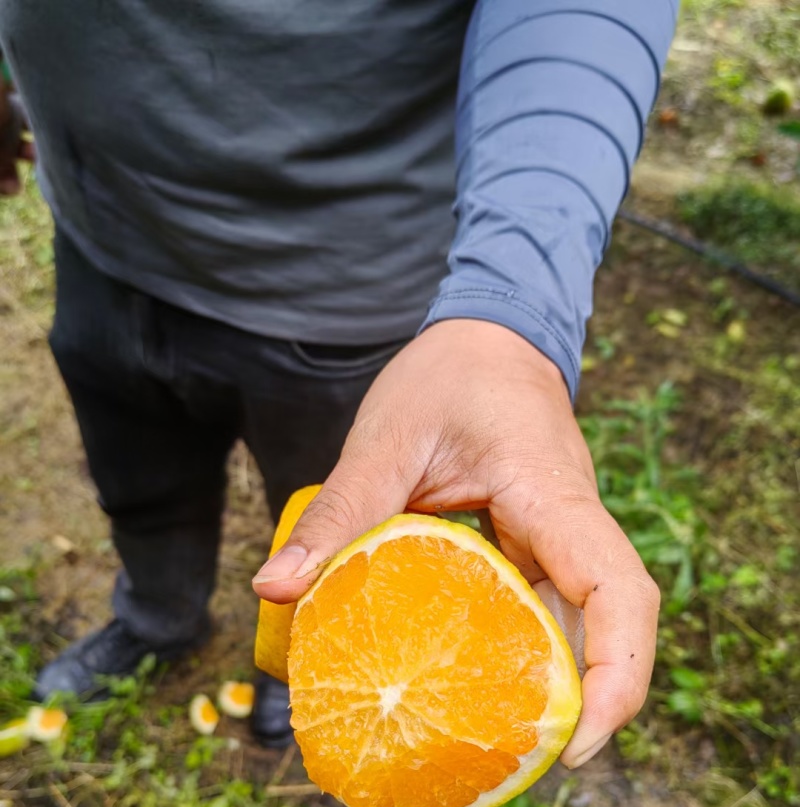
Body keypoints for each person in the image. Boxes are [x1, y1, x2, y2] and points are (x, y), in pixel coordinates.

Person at [0, 1, 675, 762]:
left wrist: (509, 313)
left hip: (340, 297)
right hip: (101, 239)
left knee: (334, 522)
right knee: (140, 482)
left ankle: (308, 666)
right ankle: (158, 617)